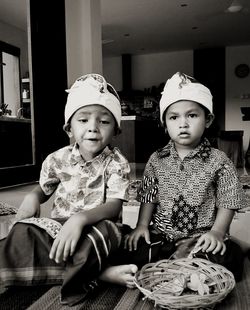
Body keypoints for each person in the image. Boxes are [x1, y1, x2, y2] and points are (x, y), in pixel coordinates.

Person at [0, 73, 137, 306]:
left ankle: (83, 273)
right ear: (69, 128)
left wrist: (80, 220)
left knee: (106, 234)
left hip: (96, 230)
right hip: (60, 233)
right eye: (83, 120)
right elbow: (42, 190)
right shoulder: (56, 159)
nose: (93, 128)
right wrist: (33, 197)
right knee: (23, 232)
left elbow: (114, 207)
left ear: (115, 130)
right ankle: (99, 273)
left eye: (104, 121)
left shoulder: (117, 163)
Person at [123, 72, 246, 282]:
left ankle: (180, 269)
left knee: (229, 257)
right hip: (161, 236)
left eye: (192, 115)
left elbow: (229, 199)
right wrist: (142, 225)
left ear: (207, 120)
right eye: (174, 117)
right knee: (130, 248)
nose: (183, 123)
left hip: (201, 237)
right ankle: (184, 270)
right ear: (165, 124)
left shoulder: (219, 160)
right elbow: (148, 196)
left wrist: (217, 232)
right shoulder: (156, 159)